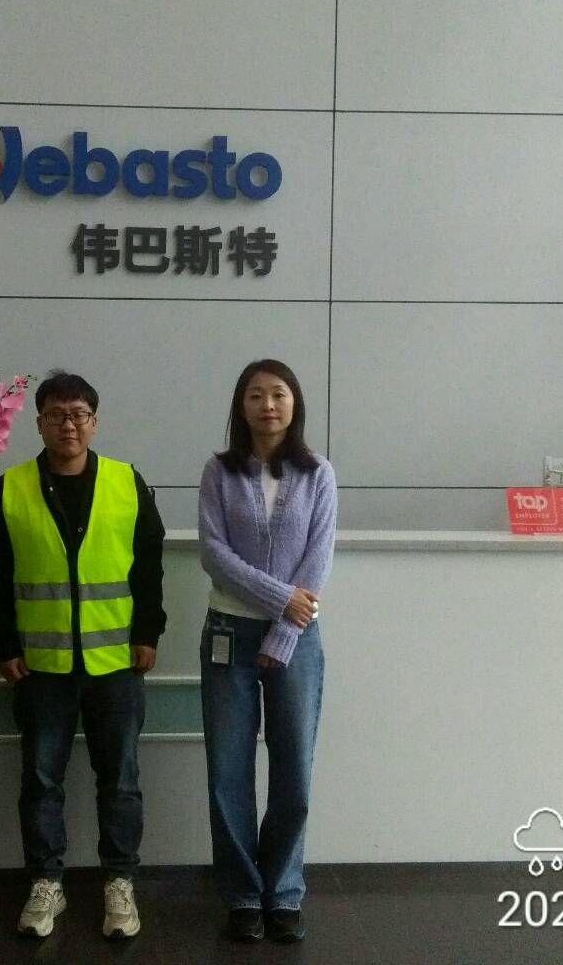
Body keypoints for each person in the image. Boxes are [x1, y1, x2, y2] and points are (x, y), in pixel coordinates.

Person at [0, 370, 166, 941]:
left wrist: (148, 633)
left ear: (95, 422)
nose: (68, 425)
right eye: (56, 415)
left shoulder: (127, 483)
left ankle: (119, 882)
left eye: (79, 414)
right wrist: (3, 645)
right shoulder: (10, 489)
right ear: (39, 423)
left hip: (116, 664)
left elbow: (148, 566)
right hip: (41, 666)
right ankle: (46, 883)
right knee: (41, 780)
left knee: (121, 781)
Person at [197, 359, 336, 944]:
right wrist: (282, 600)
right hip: (228, 632)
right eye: (255, 395)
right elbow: (213, 553)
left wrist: (282, 633)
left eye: (278, 394)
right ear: (241, 406)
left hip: (296, 641)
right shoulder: (219, 470)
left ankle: (283, 891)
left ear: (294, 403)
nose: (268, 405)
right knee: (228, 771)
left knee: (293, 770)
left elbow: (318, 557)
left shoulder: (318, 472)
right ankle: (242, 894)